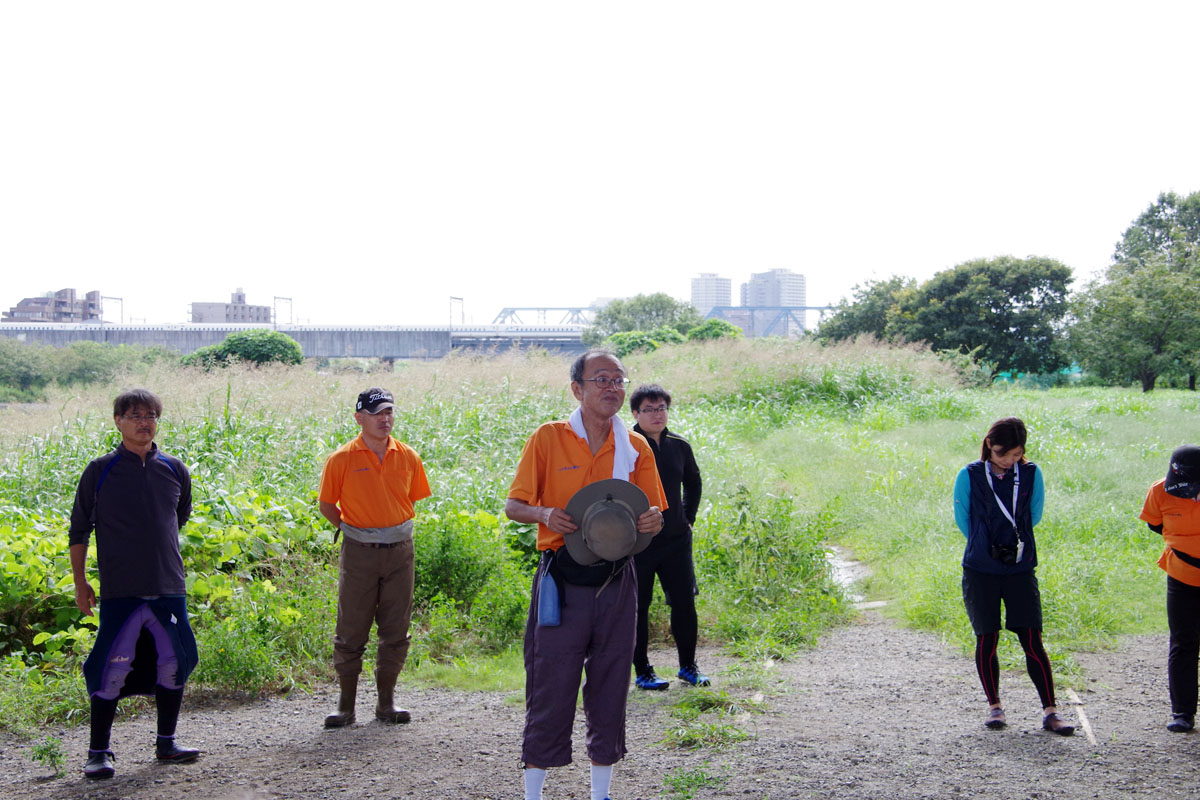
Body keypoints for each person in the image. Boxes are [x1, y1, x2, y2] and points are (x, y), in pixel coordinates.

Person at [505, 350, 666, 800]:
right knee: (550, 683)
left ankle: (601, 794)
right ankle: (533, 794)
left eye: (618, 379)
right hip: (561, 581)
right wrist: (545, 514)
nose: (613, 387)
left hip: (618, 581)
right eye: (602, 379)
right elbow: (514, 506)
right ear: (577, 389)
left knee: (612, 682)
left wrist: (654, 522)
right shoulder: (549, 438)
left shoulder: (635, 447)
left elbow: (651, 515)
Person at [69, 388, 200, 779]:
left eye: (151, 415)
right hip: (120, 589)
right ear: (118, 421)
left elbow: (178, 518)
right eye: (135, 415)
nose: (144, 422)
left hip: (168, 586)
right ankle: (99, 752)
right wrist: (81, 583)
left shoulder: (174, 469)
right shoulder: (100, 470)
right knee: (112, 666)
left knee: (173, 662)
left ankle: (166, 743)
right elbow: (78, 531)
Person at [952, 416, 1074, 735]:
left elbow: (1035, 514)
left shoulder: (1032, 474)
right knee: (987, 638)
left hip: (1020, 566)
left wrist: (1013, 543)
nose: (1010, 461)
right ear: (990, 445)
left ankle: (1050, 711)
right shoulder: (970, 474)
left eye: (1017, 454)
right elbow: (962, 518)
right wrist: (985, 544)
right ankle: (995, 707)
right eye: (1004, 454)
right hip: (980, 568)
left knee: (1031, 637)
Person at [318, 387, 431, 728]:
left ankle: (386, 704)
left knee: (396, 629)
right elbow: (327, 505)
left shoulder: (408, 456)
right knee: (351, 630)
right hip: (359, 554)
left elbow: (413, 499)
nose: (385, 419)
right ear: (359, 418)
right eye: (377, 413)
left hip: (400, 552)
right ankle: (345, 708)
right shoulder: (341, 459)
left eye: (389, 412)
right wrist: (358, 532)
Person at [628, 383, 706, 690]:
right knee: (638, 606)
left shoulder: (678, 444)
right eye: (649, 409)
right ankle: (643, 672)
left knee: (685, 603)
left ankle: (688, 667)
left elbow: (694, 482)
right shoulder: (625, 444)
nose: (657, 414)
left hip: (676, 539)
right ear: (635, 413)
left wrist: (688, 518)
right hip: (638, 543)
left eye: (662, 408)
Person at [1139, 444, 1200, 732]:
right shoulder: (1160, 490)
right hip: (1181, 574)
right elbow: (1154, 524)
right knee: (1183, 642)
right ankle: (1183, 713)